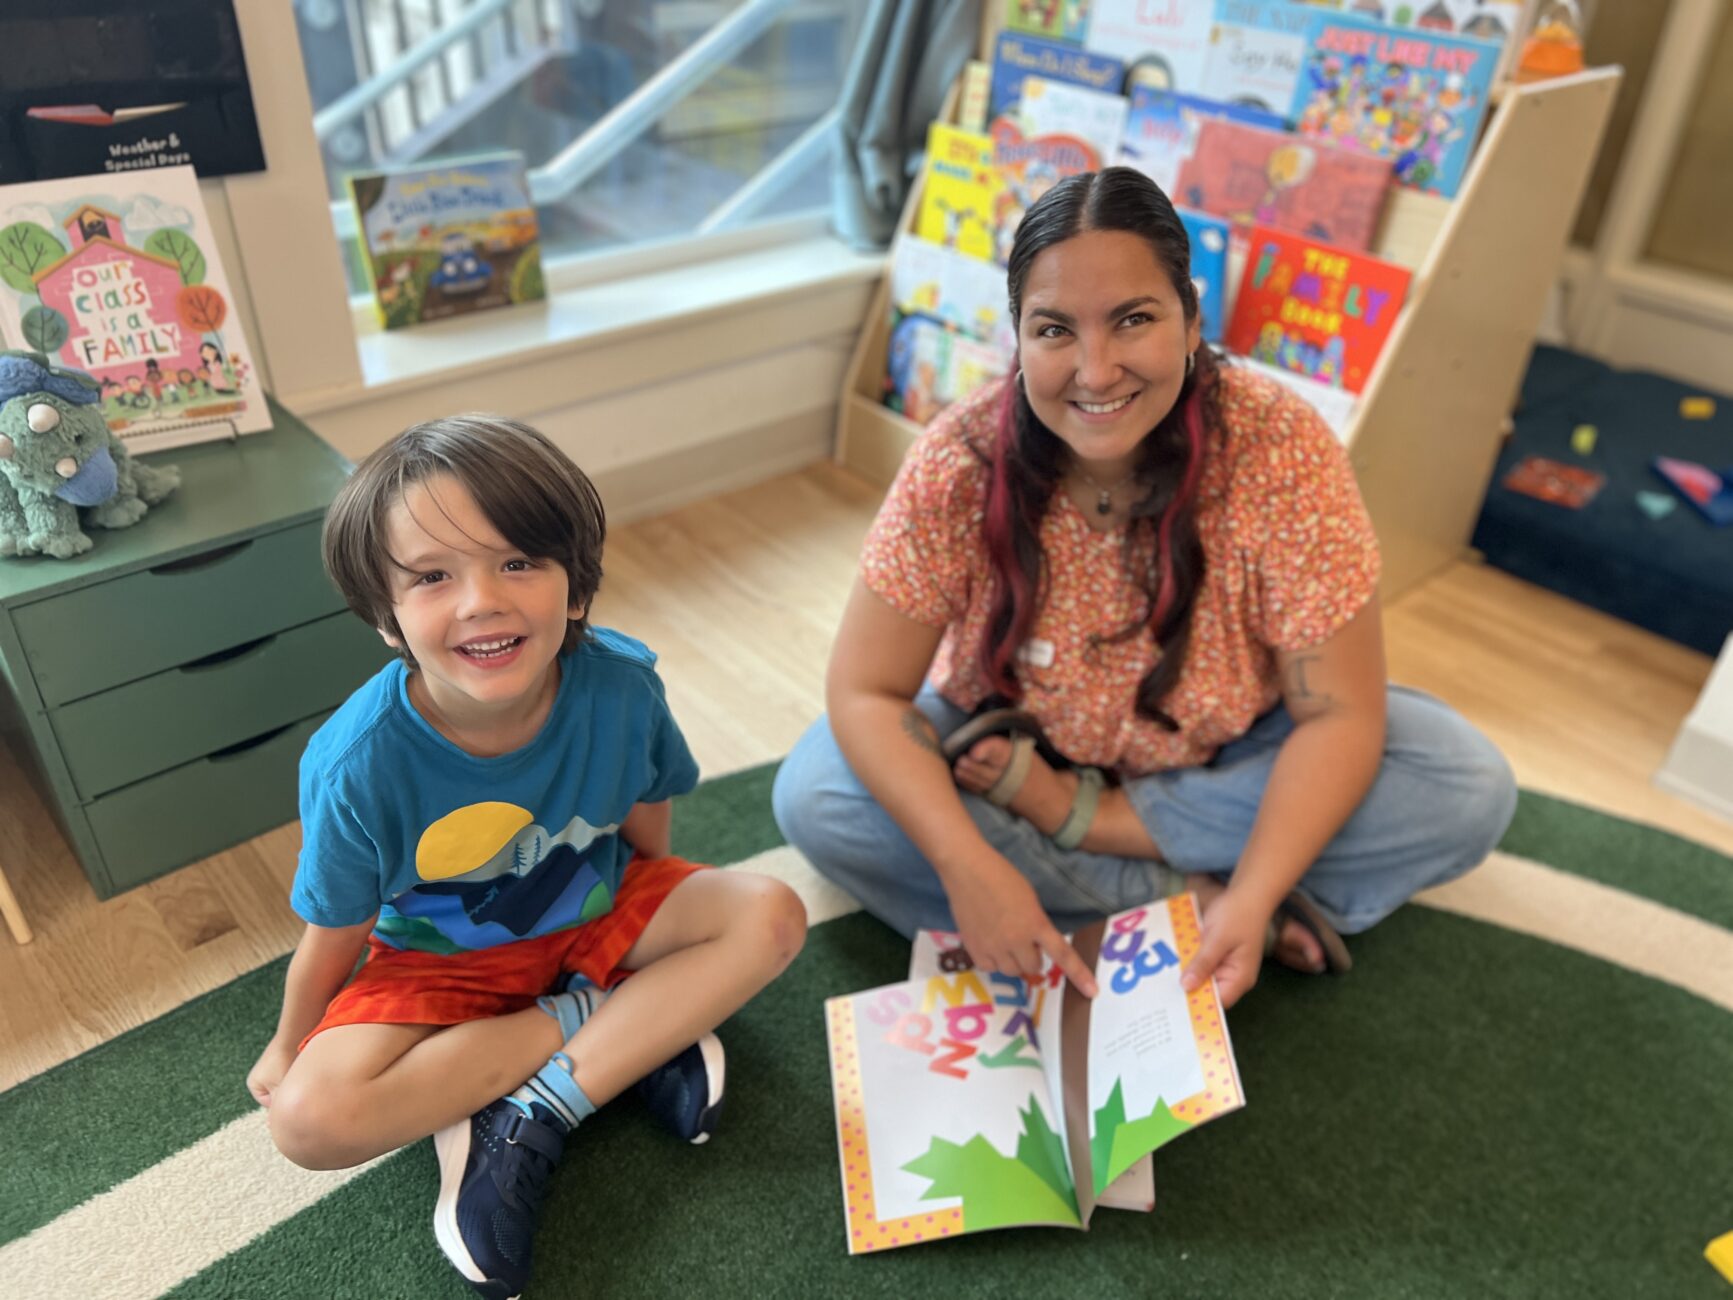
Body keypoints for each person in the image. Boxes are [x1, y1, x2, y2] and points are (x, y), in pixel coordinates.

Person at [773, 166, 1514, 1008]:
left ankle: (1120, 866)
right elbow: (865, 690)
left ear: (1191, 319)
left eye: (1132, 320)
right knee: (819, 795)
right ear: (1017, 337)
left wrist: (1085, 822)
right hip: (1003, 743)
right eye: (1054, 330)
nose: (1094, 371)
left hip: (1224, 753)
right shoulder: (958, 459)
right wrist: (967, 865)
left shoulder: (1281, 446)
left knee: (1462, 784)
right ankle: (1192, 910)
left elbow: (1338, 713)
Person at [246, 415, 806, 1299]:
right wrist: (286, 1048)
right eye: (432, 576)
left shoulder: (621, 683)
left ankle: (531, 1108)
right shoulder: (356, 762)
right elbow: (334, 930)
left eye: (518, 562)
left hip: (589, 913)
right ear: (385, 619)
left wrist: (648, 923)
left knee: (771, 912)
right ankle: (613, 1031)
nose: (481, 601)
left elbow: (643, 810)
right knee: (309, 1122)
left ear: (574, 587)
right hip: (440, 965)